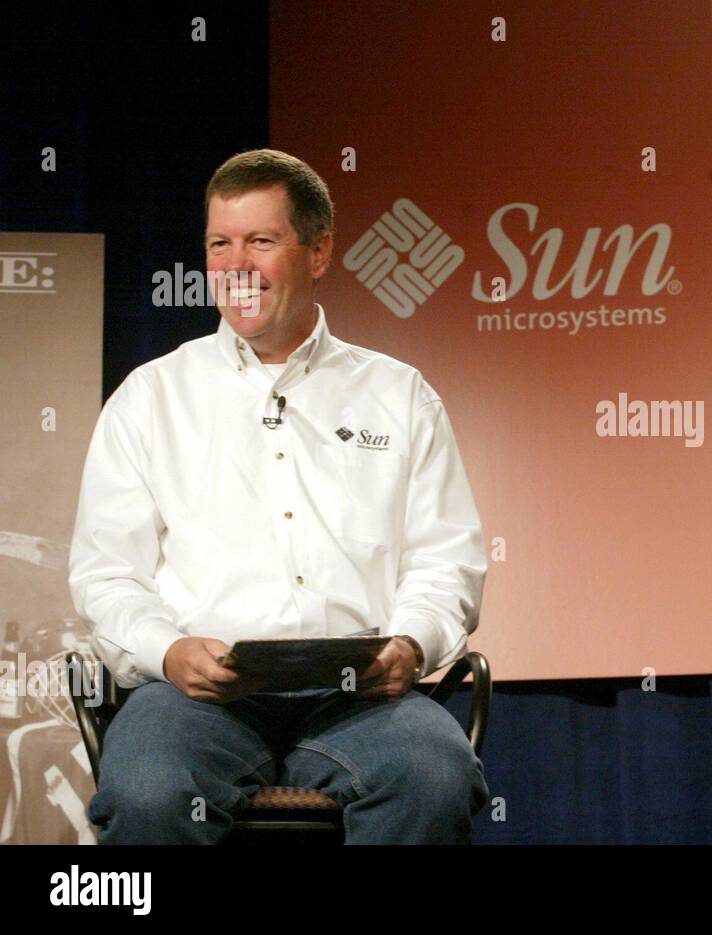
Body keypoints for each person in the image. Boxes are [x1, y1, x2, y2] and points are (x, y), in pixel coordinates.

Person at [68, 149, 489, 843]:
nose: (236, 265)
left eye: (261, 241)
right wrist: (169, 650)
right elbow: (107, 572)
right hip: (194, 696)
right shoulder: (151, 397)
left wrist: (412, 643)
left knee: (434, 775)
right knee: (148, 790)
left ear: (318, 252)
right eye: (219, 243)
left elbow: (447, 561)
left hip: (361, 695)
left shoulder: (398, 393)